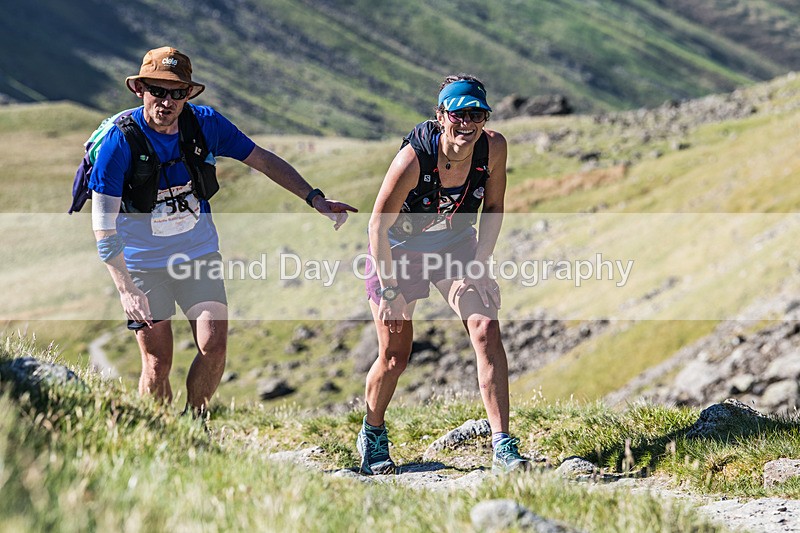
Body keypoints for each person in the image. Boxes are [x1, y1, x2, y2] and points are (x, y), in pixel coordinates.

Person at [90, 46, 356, 417]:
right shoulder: (120, 143)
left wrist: (314, 198)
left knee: (214, 345)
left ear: (188, 95)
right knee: (157, 363)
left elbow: (261, 159)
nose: (167, 101)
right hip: (141, 264)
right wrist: (125, 289)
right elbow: (103, 227)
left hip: (197, 253)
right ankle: (156, 430)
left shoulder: (205, 125)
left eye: (177, 92)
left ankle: (195, 422)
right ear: (140, 90)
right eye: (158, 90)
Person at [358, 74, 530, 474]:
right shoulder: (414, 159)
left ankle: (503, 444)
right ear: (441, 116)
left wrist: (480, 262)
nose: (468, 123)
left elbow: (496, 205)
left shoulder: (494, 148)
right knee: (395, 355)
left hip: (453, 245)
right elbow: (377, 226)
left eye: (478, 114)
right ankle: (373, 431)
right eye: (459, 114)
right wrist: (389, 290)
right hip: (397, 251)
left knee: (486, 327)